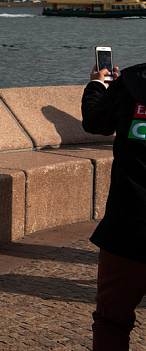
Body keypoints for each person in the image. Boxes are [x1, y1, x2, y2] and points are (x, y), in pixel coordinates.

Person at [82, 59, 146, 351]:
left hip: (129, 226)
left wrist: (98, 85)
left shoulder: (133, 83)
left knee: (111, 322)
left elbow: (96, 122)